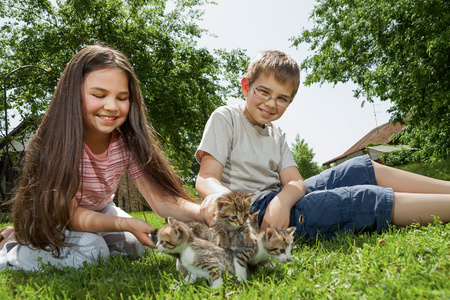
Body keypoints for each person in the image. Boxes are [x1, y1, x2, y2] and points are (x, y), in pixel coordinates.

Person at [196, 50, 450, 239]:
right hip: (250, 212)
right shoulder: (226, 117)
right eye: (263, 92)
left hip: (278, 202)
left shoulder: (277, 134)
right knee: (363, 198)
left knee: (358, 168)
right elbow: (206, 178)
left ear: (290, 101)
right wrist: (221, 199)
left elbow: (295, 182)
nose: (271, 104)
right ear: (246, 86)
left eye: (281, 98)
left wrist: (282, 201)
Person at [0, 44, 203, 271]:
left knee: (140, 245)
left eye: (122, 97)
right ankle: (14, 249)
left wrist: (202, 211)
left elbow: (161, 200)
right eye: (99, 95)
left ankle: (91, 247)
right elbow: (73, 216)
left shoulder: (126, 142)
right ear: (73, 94)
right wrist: (124, 223)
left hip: (100, 211)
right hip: (55, 218)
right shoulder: (55, 143)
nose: (111, 106)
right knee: (91, 252)